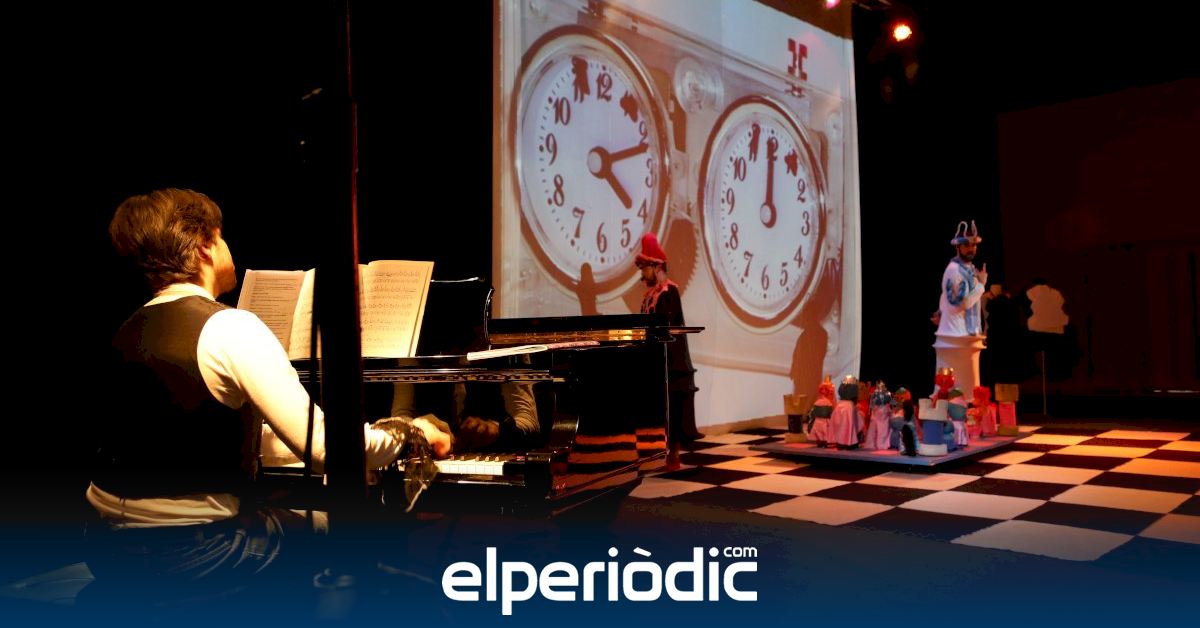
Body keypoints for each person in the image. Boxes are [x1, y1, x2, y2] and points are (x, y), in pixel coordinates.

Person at [90, 188, 451, 604]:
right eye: (221, 237)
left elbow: (181, 438)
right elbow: (330, 451)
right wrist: (411, 432)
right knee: (360, 527)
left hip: (107, 551)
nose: (227, 247)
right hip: (195, 555)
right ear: (204, 245)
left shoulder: (127, 330)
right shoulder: (230, 328)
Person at [635, 233, 701, 471]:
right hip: (654, 360)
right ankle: (657, 452)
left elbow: (669, 330)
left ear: (657, 267)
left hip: (670, 362)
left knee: (673, 408)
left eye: (645, 268)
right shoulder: (650, 295)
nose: (642, 274)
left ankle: (673, 454)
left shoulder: (668, 292)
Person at [936, 220, 988, 337]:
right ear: (958, 247)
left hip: (967, 334)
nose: (971, 248)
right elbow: (964, 303)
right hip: (961, 336)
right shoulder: (955, 270)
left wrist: (941, 311)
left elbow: (948, 296)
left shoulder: (968, 269)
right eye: (966, 245)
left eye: (973, 245)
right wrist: (981, 284)